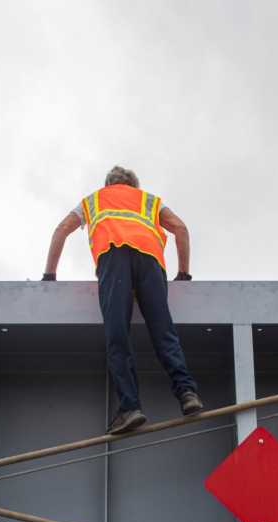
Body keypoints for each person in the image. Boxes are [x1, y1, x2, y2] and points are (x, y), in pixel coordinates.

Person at [43, 166, 202, 435]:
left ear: (108, 184)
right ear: (134, 185)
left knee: (118, 333)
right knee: (163, 330)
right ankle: (187, 393)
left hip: (113, 256)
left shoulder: (94, 200)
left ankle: (130, 408)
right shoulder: (148, 200)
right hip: (150, 261)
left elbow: (61, 229)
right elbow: (181, 229)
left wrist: (49, 275)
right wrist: (183, 274)